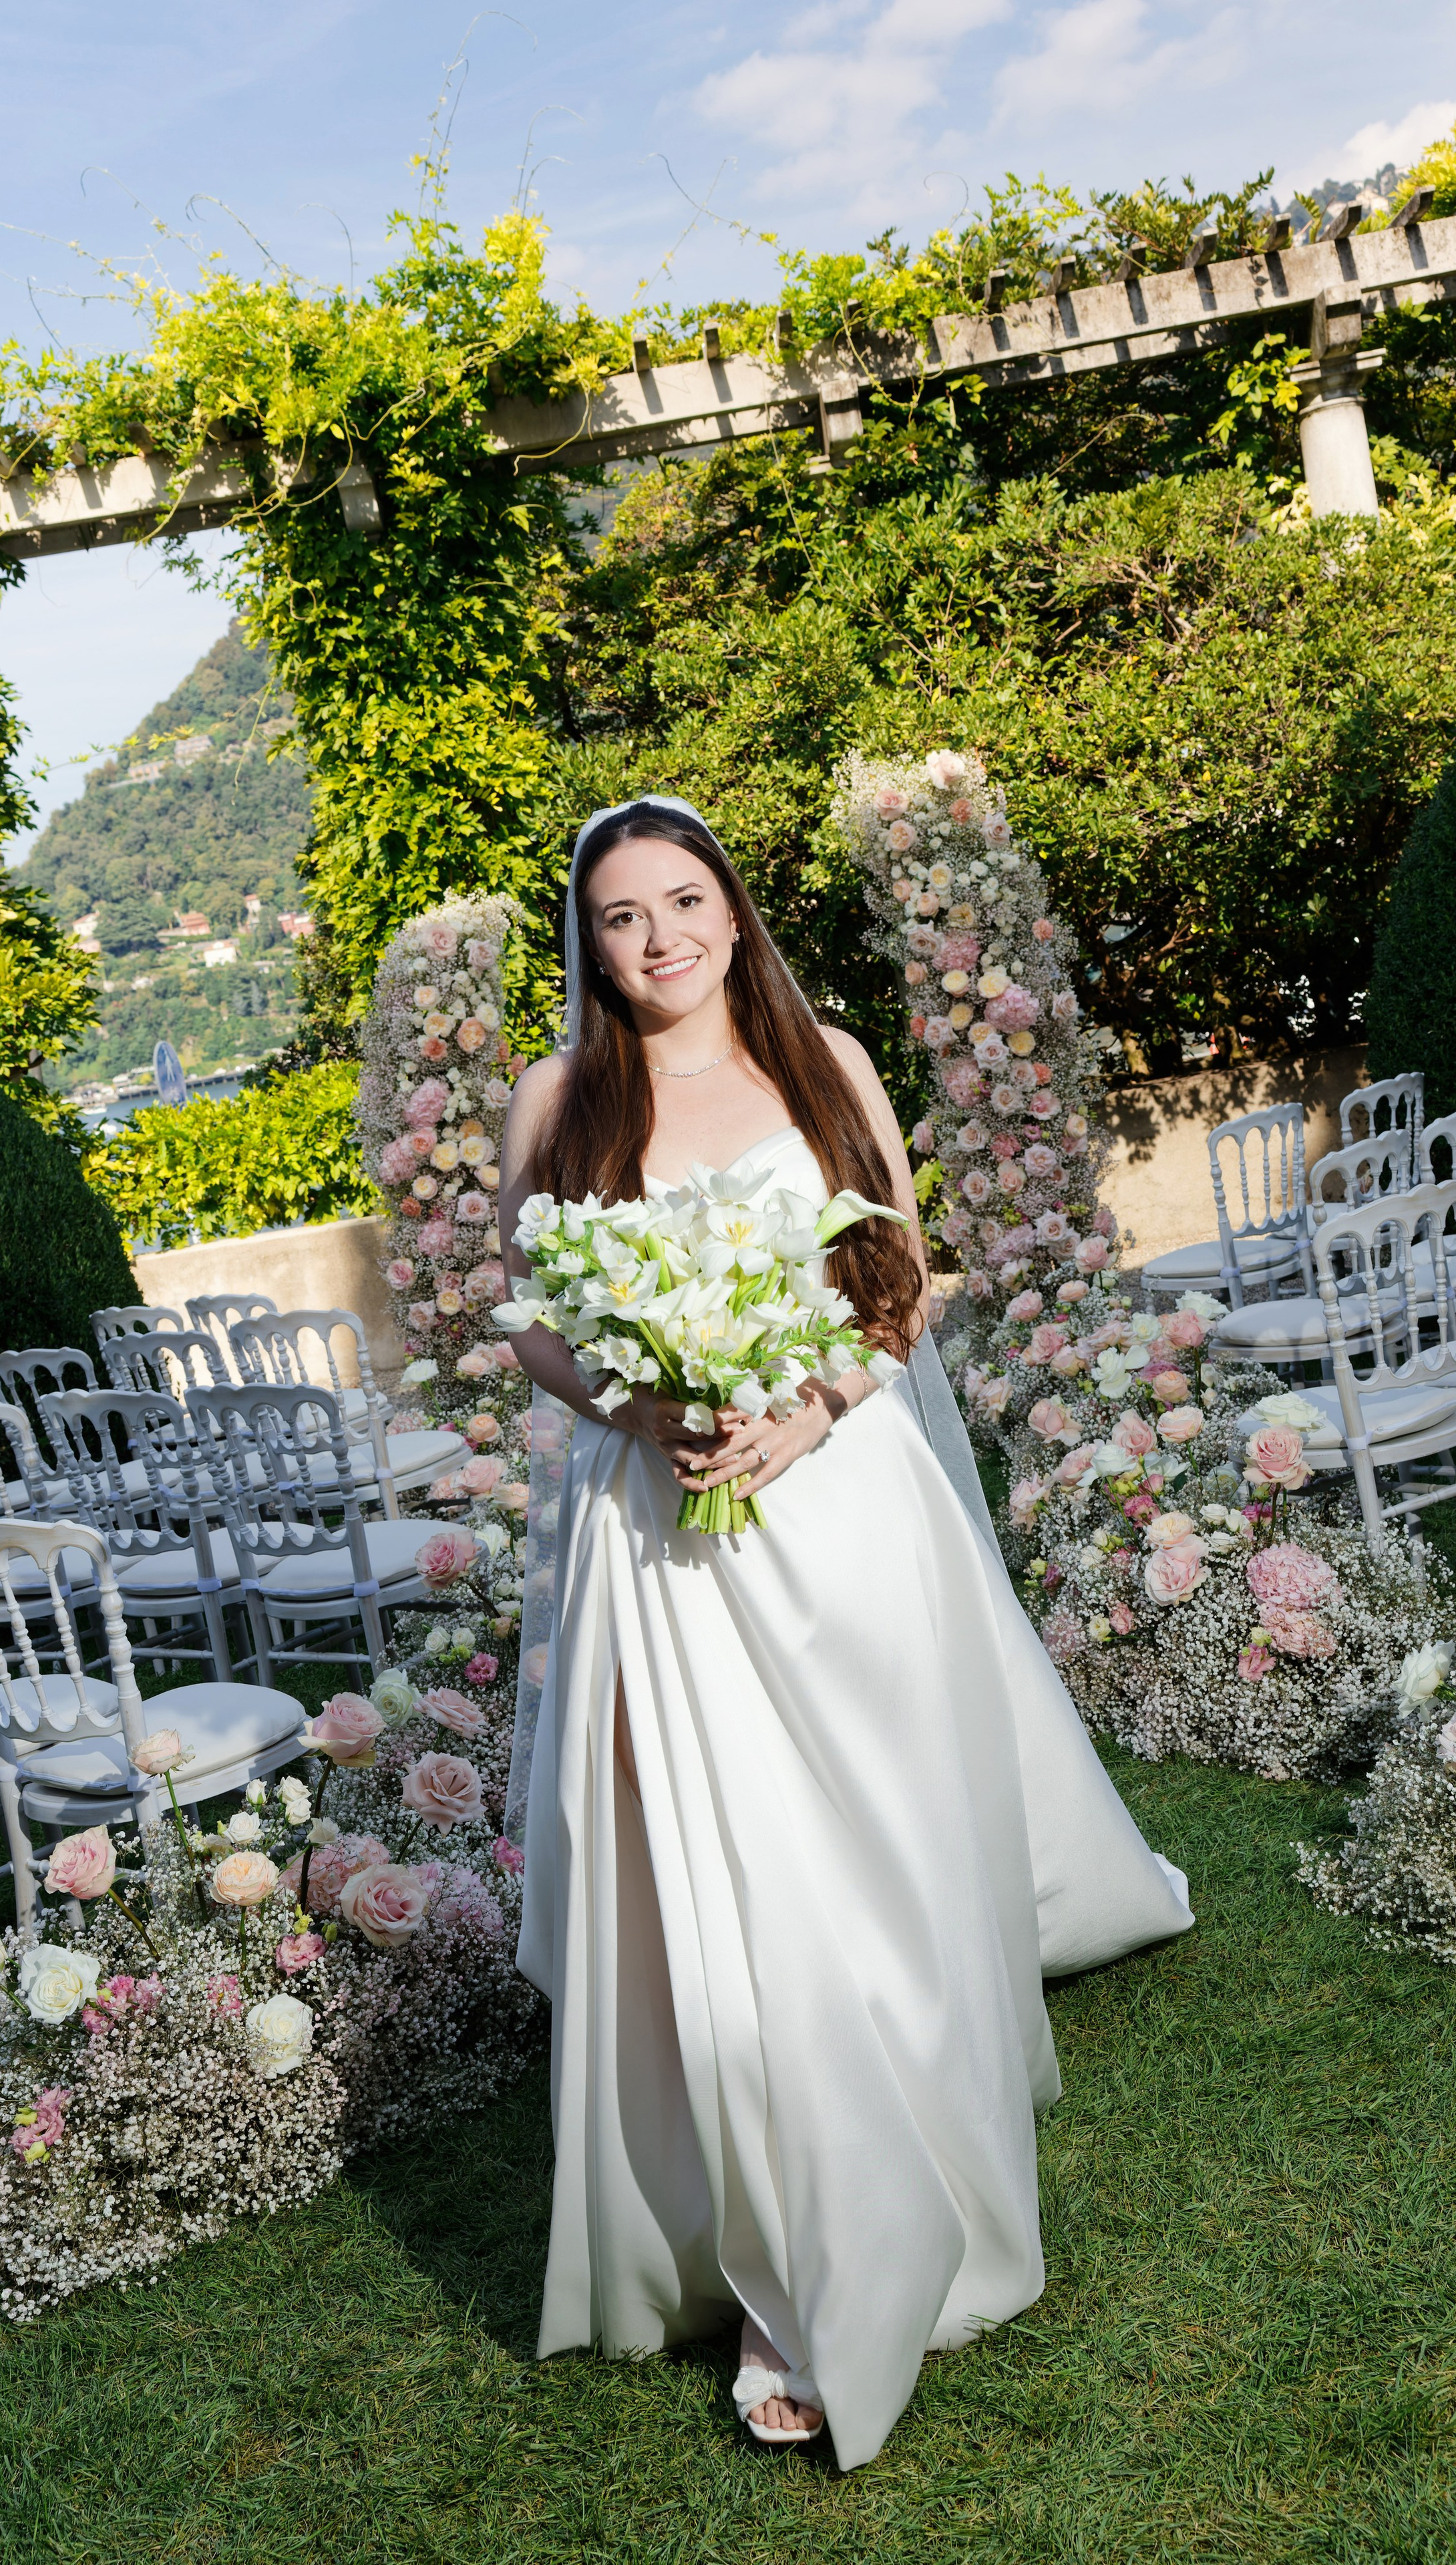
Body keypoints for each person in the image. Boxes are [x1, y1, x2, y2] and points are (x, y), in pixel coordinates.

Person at [499, 796, 1193, 2471]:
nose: (657, 940)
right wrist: (641, 1392)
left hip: (846, 1510)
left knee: (881, 1856)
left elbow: (893, 1282)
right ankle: (790, 2270)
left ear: (733, 915)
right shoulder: (559, 1099)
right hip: (664, 1542)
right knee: (739, 1886)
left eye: (684, 903)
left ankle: (921, 2162)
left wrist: (802, 1417)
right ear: (588, 944)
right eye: (618, 917)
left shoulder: (831, 1065)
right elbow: (526, 1322)